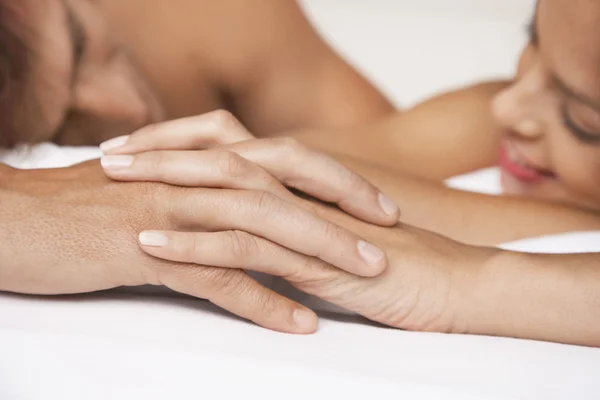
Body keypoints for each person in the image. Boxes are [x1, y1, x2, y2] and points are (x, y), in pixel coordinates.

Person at [1, 0, 599, 347]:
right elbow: (306, 169)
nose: (509, 105)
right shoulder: (480, 119)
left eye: (582, 120)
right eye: (529, 38)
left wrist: (463, 279)